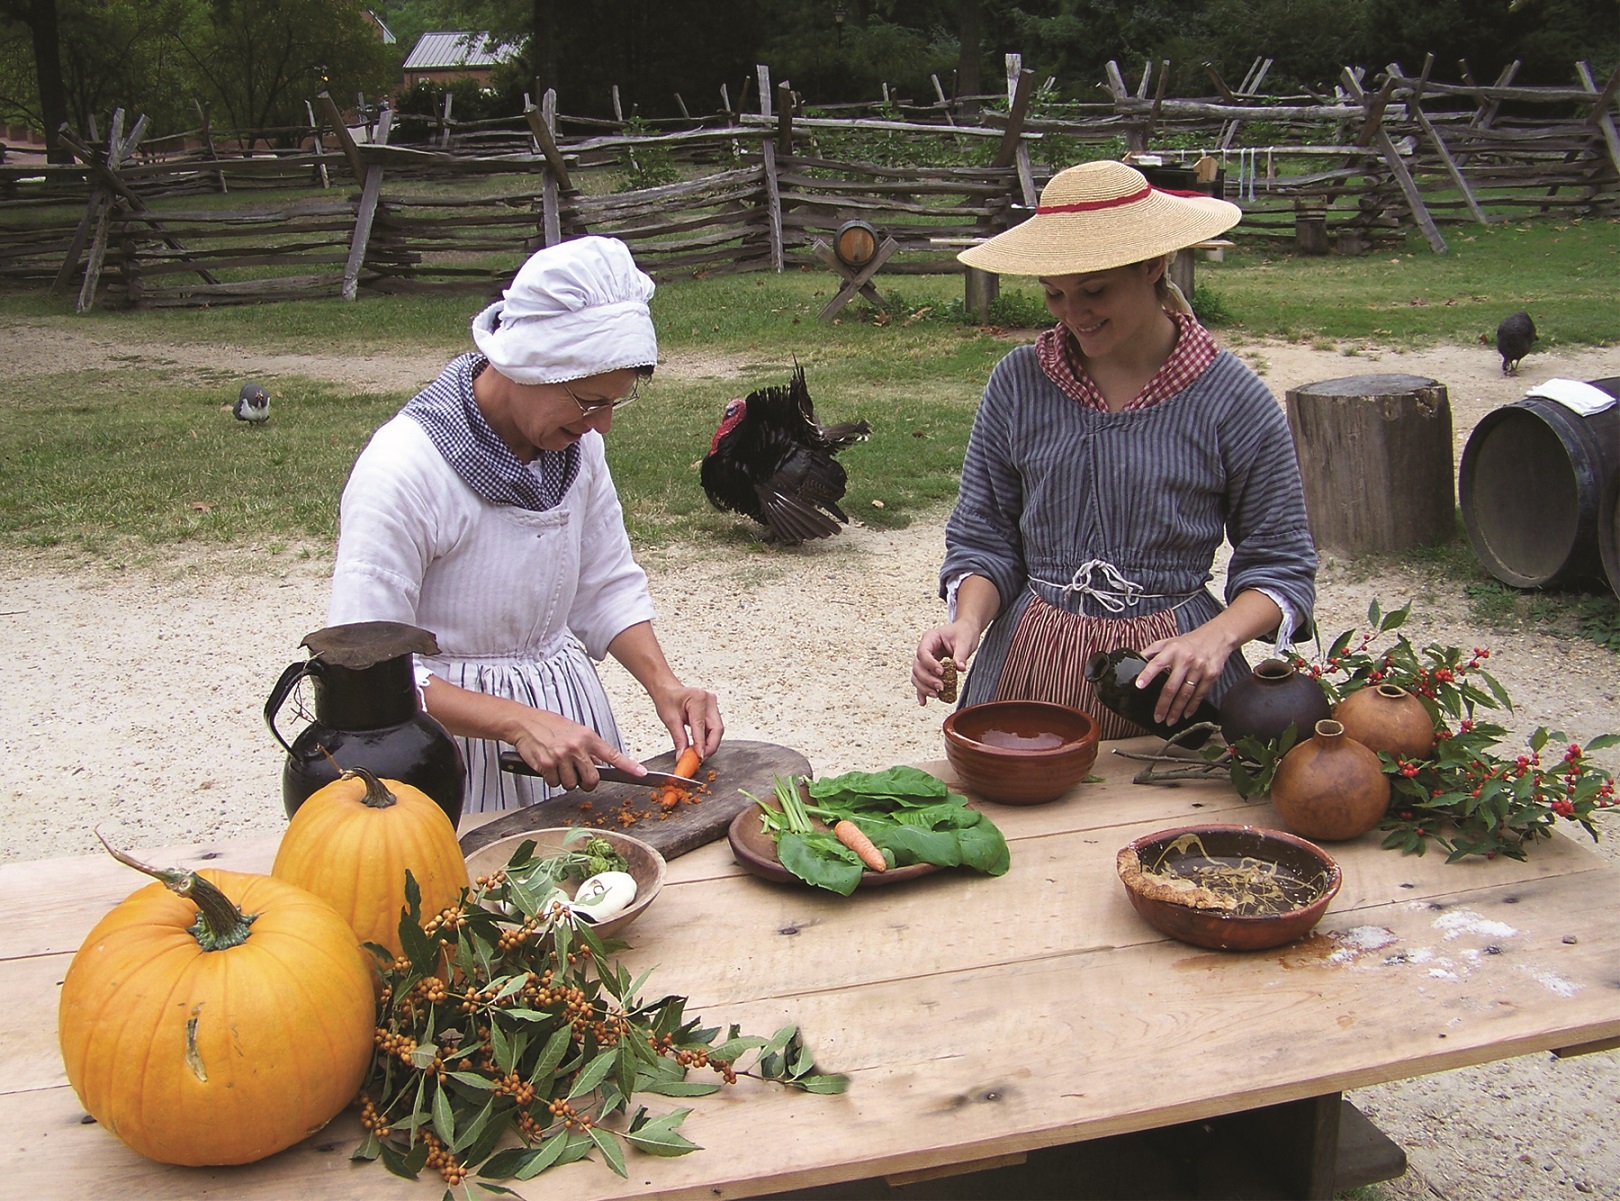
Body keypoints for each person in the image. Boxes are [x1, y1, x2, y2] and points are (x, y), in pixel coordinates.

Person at [911, 160, 1317, 736]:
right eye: (1055, 294)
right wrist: (967, 623)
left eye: (1096, 290)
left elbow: (1281, 564)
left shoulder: (1231, 397)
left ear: (1153, 265)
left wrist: (1215, 637)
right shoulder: (1018, 382)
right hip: (1026, 673)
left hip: (1170, 683)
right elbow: (984, 538)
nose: (1075, 314)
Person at [328, 236, 722, 812]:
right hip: (445, 750)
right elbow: (364, 670)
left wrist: (666, 685)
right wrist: (515, 721)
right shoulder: (404, 469)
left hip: (568, 728)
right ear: (526, 365)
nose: (603, 426)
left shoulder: (577, 449)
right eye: (589, 401)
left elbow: (603, 582)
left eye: (615, 402)